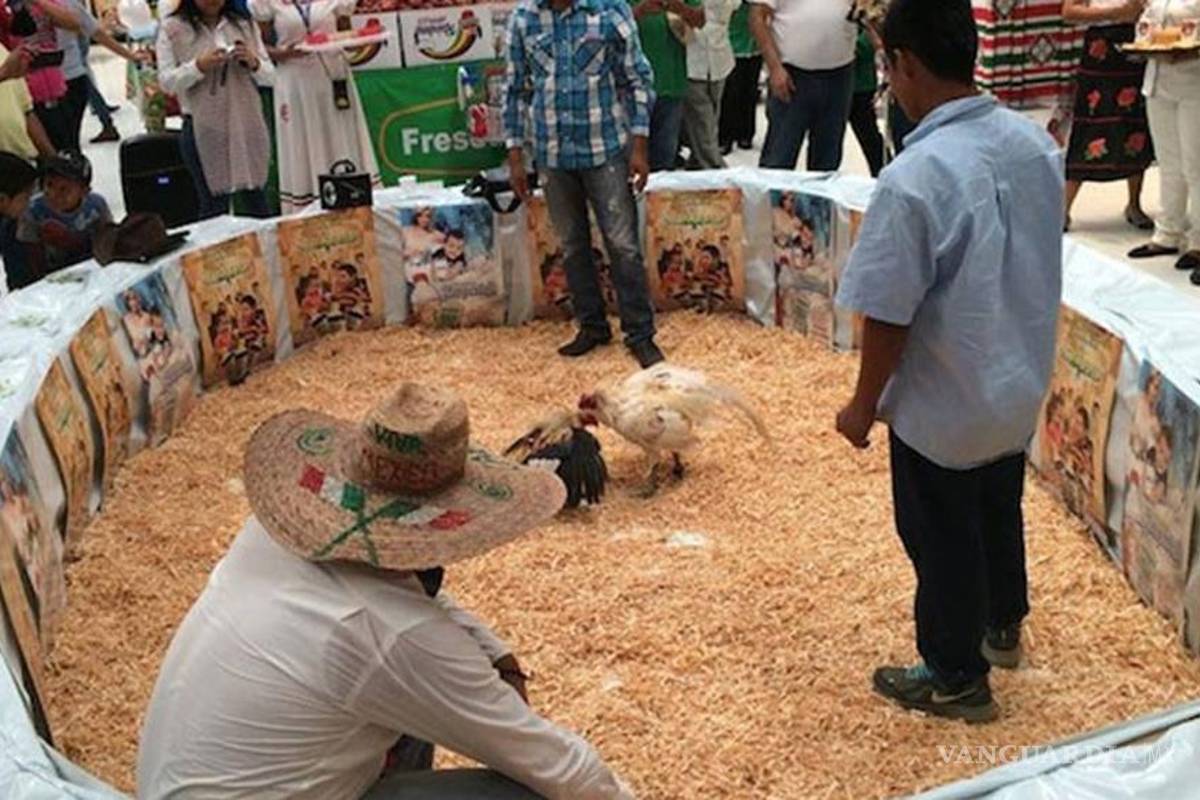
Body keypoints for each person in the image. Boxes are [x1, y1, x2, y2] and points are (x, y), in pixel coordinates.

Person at [137, 384, 636, 800]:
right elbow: (559, 768)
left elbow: (397, 595)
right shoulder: (395, 637)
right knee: (523, 794)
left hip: (173, 787)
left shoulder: (276, 535)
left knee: (413, 717)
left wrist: (494, 652)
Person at [834, 0, 1062, 722]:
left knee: (939, 533)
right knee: (999, 503)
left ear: (904, 64)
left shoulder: (916, 177)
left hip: (945, 401)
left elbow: (890, 312)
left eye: (887, 67)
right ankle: (1003, 626)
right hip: (1016, 380)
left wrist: (863, 404)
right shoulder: (1034, 147)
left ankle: (955, 674)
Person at [505, 0, 665, 368]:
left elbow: (638, 78)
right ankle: (592, 326)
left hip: (605, 149)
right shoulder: (523, 18)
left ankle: (640, 333)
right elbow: (514, 89)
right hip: (551, 153)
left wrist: (639, 146)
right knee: (572, 244)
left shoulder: (610, 10)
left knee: (623, 245)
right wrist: (515, 155)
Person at [251, 0, 380, 214]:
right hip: (295, 81)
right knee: (302, 138)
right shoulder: (266, 3)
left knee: (341, 135)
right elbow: (260, 48)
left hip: (333, 75)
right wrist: (285, 53)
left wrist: (368, 37)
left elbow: (346, 38)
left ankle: (354, 201)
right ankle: (307, 209)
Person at [158, 0, 274, 219]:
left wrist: (254, 62)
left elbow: (271, 77)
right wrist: (197, 67)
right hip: (204, 127)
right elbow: (166, 82)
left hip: (246, 122)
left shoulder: (243, 24)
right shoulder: (173, 28)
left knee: (256, 199)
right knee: (213, 206)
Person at [1060, 0, 1155, 233]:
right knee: (1090, 125)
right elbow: (1069, 12)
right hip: (1100, 48)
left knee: (1136, 125)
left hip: (1137, 44)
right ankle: (1063, 209)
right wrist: (1116, 12)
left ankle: (1134, 204)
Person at [1126, 0, 1200, 283]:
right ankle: (1168, 232)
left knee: (1196, 165)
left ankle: (1198, 242)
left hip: (1194, 83)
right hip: (1158, 81)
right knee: (1169, 162)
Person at [749, 0, 855, 171]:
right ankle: (775, 198)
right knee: (780, 156)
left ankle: (819, 199)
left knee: (828, 159)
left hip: (839, 75)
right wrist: (775, 68)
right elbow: (757, 18)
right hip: (791, 76)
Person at [16, 150, 111, 282]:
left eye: (64, 189)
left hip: (94, 270)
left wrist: (71, 240)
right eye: (49, 185)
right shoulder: (33, 212)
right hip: (54, 277)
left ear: (84, 191)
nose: (53, 194)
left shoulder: (96, 205)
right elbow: (32, 258)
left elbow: (109, 241)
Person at [634, 0, 704, 172]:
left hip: (672, 84)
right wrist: (640, 11)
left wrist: (678, 7)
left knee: (664, 163)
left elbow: (700, 20)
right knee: (630, 162)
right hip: (631, 90)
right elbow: (605, 25)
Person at [683, 0, 736, 169]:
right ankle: (717, 170)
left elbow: (734, 6)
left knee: (710, 122)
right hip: (690, 60)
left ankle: (697, 165)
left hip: (719, 58)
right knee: (702, 122)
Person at [717, 1, 761, 154]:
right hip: (731, 46)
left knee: (749, 92)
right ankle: (725, 137)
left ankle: (745, 134)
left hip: (754, 47)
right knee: (730, 94)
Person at [0, 42, 54, 160]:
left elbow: (26, 111)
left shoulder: (2, 51)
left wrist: (52, 159)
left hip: (21, 159)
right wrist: (2, 74)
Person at [0, 151, 39, 293]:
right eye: (26, 198)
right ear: (3, 200)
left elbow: (20, 279)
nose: (29, 204)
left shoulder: (11, 223)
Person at [848, 27, 883, 177]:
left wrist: (848, 46)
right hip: (828, 83)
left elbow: (872, 36)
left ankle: (883, 177)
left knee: (871, 142)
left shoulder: (865, 5)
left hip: (860, 85)